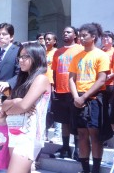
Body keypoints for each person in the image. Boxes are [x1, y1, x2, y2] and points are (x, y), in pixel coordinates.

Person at [2, 42, 50, 173]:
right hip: (15, 132)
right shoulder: (22, 79)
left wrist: (16, 105)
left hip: (29, 134)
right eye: (20, 57)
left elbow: (23, 106)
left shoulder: (41, 79)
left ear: (36, 57)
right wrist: (16, 101)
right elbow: (4, 106)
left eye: (25, 57)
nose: (21, 61)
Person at [68, 23, 110, 173]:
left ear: (93, 37)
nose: (81, 37)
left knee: (95, 135)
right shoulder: (76, 57)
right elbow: (71, 78)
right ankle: (85, 169)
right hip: (78, 98)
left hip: (94, 98)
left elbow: (101, 79)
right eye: (80, 35)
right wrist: (76, 97)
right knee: (81, 134)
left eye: (84, 35)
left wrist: (84, 97)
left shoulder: (101, 55)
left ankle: (96, 169)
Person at [50, 26, 83, 160]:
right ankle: (65, 148)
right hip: (60, 91)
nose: (65, 34)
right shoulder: (58, 52)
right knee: (64, 121)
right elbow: (54, 71)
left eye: (68, 32)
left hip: (75, 91)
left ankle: (78, 149)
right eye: (64, 32)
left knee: (76, 121)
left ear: (75, 35)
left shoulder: (80, 49)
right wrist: (54, 88)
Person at [43, 32, 61, 143]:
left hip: (53, 84)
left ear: (55, 41)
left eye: (50, 39)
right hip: (42, 84)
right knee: (43, 110)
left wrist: (56, 84)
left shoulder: (57, 52)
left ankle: (57, 134)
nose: (47, 41)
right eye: (46, 39)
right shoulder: (42, 52)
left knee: (55, 110)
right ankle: (43, 134)